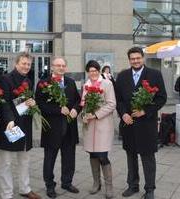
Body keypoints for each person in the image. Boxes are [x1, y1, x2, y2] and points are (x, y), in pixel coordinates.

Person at [115, 47, 167, 199]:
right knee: (131, 157)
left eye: (138, 58)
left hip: (147, 125)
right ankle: (133, 185)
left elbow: (161, 98)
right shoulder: (123, 76)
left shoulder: (155, 74)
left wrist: (145, 111)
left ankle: (149, 189)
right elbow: (119, 99)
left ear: (143, 58)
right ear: (129, 60)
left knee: (148, 159)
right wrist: (123, 113)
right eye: (132, 58)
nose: (135, 61)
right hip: (129, 124)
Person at [0, 52, 41, 199]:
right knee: (6, 163)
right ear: (16, 63)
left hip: (24, 125)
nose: (26, 66)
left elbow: (28, 100)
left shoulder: (28, 80)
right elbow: (4, 102)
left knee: (24, 160)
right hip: (10, 126)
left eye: (28, 64)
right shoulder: (5, 78)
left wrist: (32, 103)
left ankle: (25, 188)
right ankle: (6, 193)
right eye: (24, 63)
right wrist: (10, 120)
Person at [35, 57, 81, 198]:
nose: (61, 68)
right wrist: (58, 110)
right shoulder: (43, 83)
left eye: (63, 65)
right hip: (52, 129)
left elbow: (78, 100)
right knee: (49, 159)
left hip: (70, 128)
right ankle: (50, 185)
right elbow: (40, 105)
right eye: (58, 65)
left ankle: (67, 182)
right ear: (52, 67)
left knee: (69, 158)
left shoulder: (70, 82)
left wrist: (75, 109)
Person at [81, 60, 116, 199]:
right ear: (87, 72)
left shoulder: (107, 83)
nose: (93, 73)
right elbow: (83, 104)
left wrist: (96, 114)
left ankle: (109, 186)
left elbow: (112, 104)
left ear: (99, 70)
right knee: (93, 155)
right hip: (89, 127)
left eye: (95, 70)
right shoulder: (86, 85)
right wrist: (83, 115)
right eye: (90, 71)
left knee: (102, 156)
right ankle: (96, 183)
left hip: (103, 125)